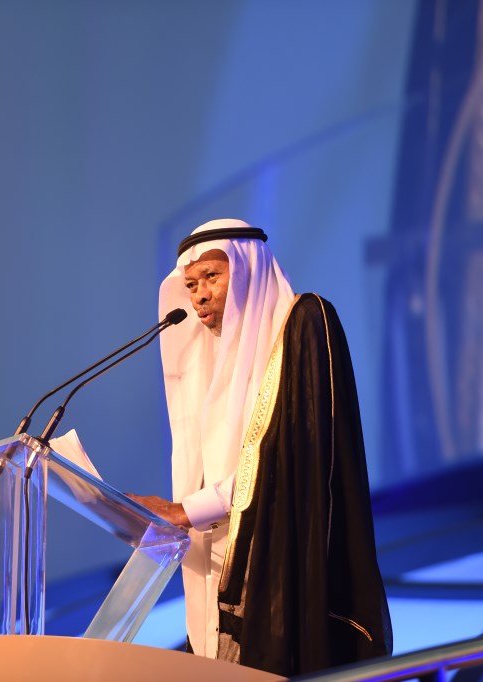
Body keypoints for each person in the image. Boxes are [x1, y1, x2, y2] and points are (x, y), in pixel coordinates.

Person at [128, 218, 392, 677]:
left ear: (248, 269)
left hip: (286, 562)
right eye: (191, 285)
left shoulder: (304, 324)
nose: (199, 296)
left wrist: (186, 510)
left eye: (212, 276)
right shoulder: (210, 359)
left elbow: (291, 459)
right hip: (216, 562)